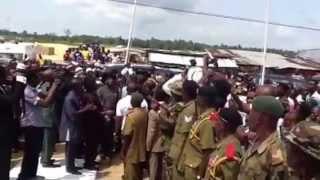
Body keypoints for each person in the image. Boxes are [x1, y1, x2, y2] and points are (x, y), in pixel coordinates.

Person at [18, 70, 58, 180]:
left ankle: (31, 174)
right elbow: (45, 103)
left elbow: (46, 96)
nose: (39, 80)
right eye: (37, 78)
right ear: (31, 79)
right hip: (31, 125)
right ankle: (25, 175)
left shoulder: (33, 89)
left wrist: (51, 85)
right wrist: (54, 86)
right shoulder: (27, 91)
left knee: (35, 152)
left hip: (37, 124)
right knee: (30, 152)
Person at [238, 96, 287, 180]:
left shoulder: (275, 152)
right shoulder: (256, 140)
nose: (248, 117)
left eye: (251, 112)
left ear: (261, 117)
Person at [180, 86, 221, 180]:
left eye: (198, 96)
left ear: (203, 99)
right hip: (191, 164)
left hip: (196, 169)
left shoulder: (208, 121)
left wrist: (200, 175)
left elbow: (207, 151)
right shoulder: (205, 117)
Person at [59, 78, 95, 175]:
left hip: (75, 126)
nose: (82, 87)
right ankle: (70, 167)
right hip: (70, 127)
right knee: (70, 148)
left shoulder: (76, 95)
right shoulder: (69, 98)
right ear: (75, 87)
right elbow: (72, 114)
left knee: (73, 147)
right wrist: (86, 109)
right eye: (80, 86)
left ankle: (71, 165)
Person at [165, 80, 199, 180]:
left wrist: (174, 157)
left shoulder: (189, 110)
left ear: (185, 93)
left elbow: (183, 136)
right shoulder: (188, 107)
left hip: (181, 158)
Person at [0, 65, 25, 180]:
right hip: (2, 129)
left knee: (5, 157)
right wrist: (20, 82)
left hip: (6, 127)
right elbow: (12, 99)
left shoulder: (2, 86)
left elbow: (13, 92)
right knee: (4, 157)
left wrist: (17, 79)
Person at [205, 108, 243, 180]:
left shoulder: (231, 148)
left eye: (217, 121)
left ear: (224, 125)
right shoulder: (222, 143)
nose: (214, 124)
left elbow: (229, 177)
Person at [121, 93, 148, 180]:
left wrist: (123, 150)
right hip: (142, 149)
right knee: (139, 175)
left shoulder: (131, 116)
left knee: (130, 175)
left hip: (132, 151)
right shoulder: (145, 113)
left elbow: (127, 135)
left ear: (132, 101)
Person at [146, 86, 170, 180]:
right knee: (164, 171)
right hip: (166, 144)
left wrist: (148, 147)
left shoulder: (153, 112)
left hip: (155, 145)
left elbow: (151, 131)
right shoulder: (168, 108)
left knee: (154, 172)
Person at [97, 71, 119, 160]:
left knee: (110, 136)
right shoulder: (100, 90)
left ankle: (108, 152)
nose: (111, 81)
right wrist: (105, 113)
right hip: (102, 116)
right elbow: (98, 104)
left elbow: (117, 103)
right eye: (109, 79)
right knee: (101, 135)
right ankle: (101, 152)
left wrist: (113, 113)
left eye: (113, 79)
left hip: (112, 116)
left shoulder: (116, 90)